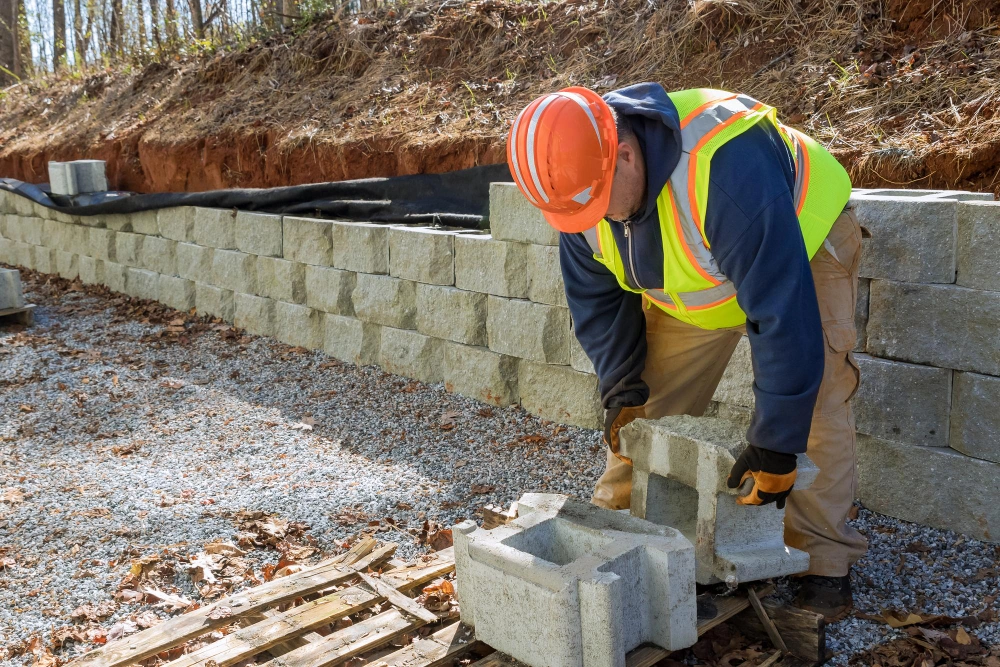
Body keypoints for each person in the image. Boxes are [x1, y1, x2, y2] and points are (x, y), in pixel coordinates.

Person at [506, 83, 868, 620]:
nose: (589, 221)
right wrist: (622, 382)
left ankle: (822, 562)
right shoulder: (580, 191)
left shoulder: (722, 166)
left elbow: (781, 311)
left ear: (625, 154)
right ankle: (619, 532)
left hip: (798, 245)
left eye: (594, 205)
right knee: (647, 407)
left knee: (813, 412)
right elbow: (598, 303)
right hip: (701, 275)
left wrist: (774, 443)